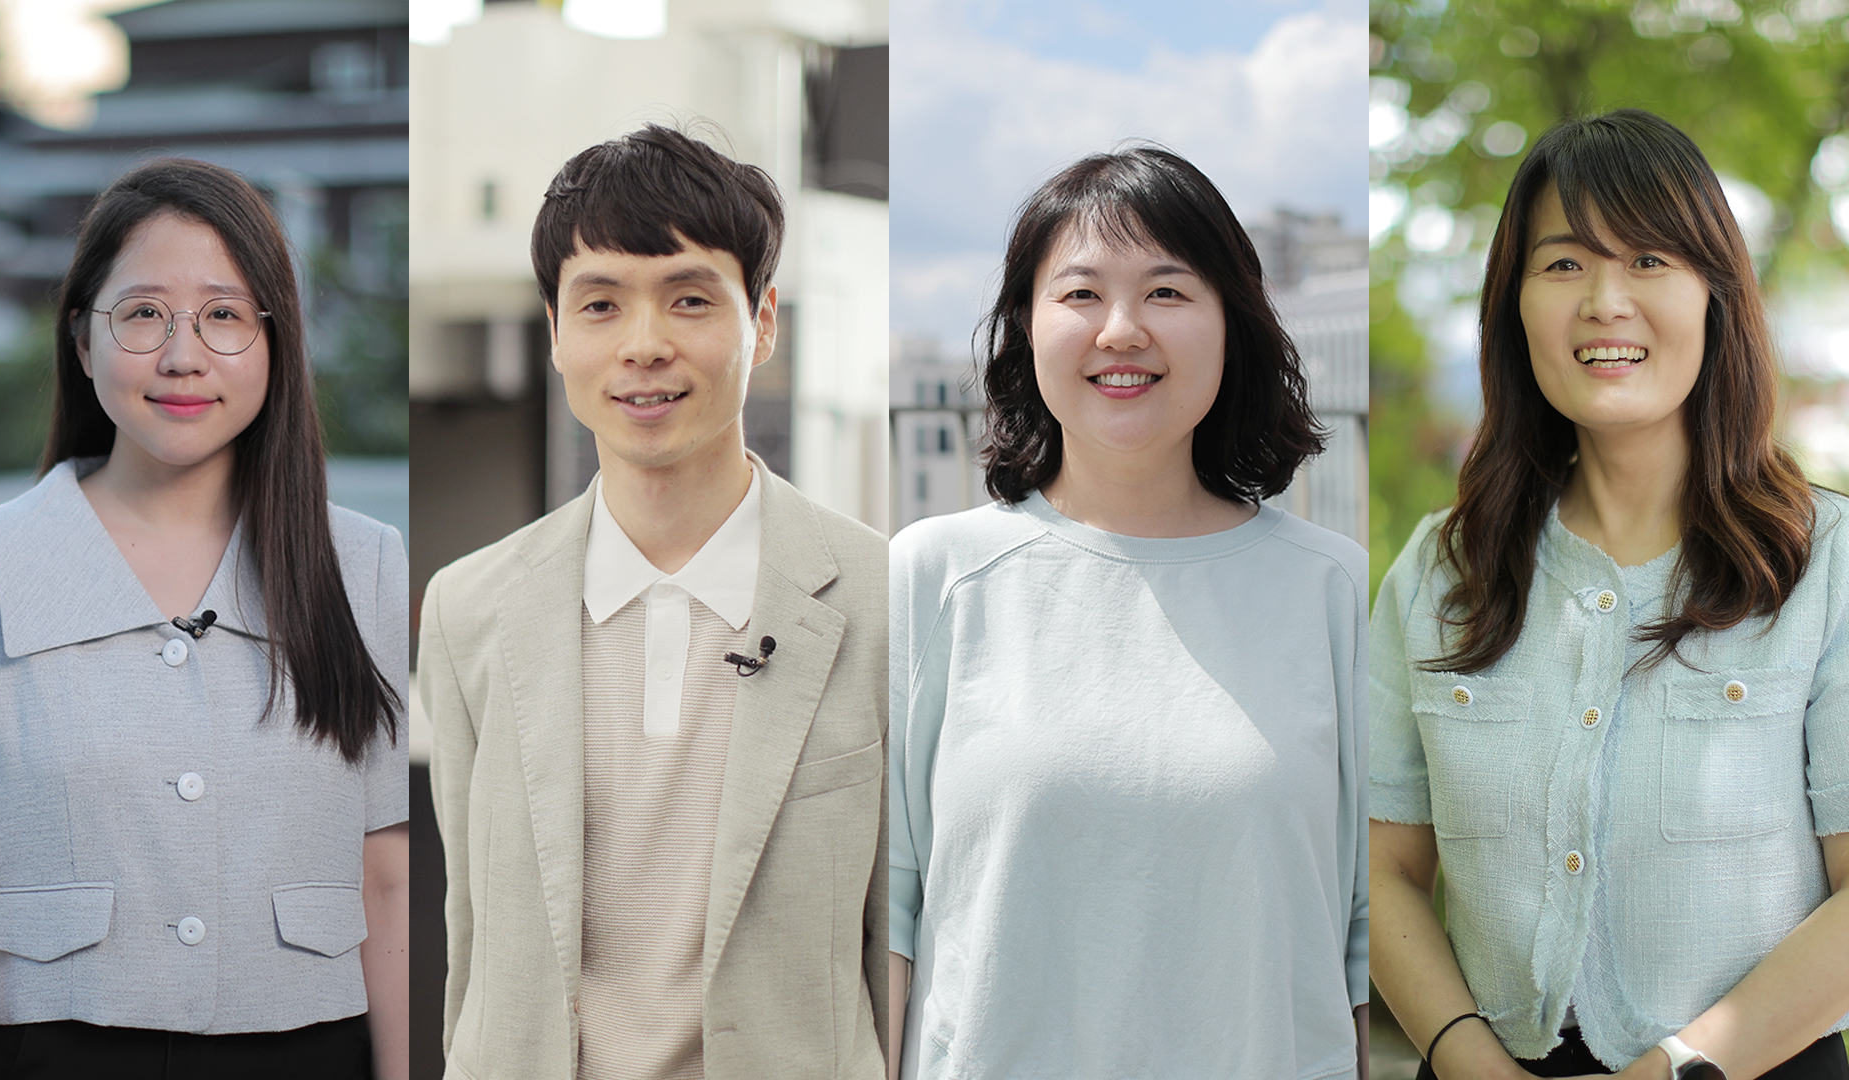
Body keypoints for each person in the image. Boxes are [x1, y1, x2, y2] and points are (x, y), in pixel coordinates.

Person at [1368, 109, 1849, 1080]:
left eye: (1649, 262)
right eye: (1563, 265)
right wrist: (1468, 1061)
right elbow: (1379, 872)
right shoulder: (1438, 570)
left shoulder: (1825, 565)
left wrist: (1679, 1067)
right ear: (1513, 306)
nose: (1604, 302)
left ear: (1717, 296)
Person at [888, 146, 1369, 1079]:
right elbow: (889, 919)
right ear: (1024, 328)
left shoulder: (1334, 589)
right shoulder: (934, 575)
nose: (1121, 330)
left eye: (1167, 292)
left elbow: (1358, 937)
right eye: (1079, 295)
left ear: (1234, 324)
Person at [420, 123, 889, 1079]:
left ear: (762, 323)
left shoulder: (887, 599)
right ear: (554, 332)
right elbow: (470, 944)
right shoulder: (465, 609)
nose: (644, 346)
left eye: (688, 300)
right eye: (599, 304)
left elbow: (902, 946)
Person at [0, 158, 409, 1080]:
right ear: (81, 339)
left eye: (224, 316)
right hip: (56, 1051)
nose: (183, 355)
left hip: (307, 1051)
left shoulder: (363, 565)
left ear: (277, 340)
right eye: (143, 314)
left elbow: (384, 879)